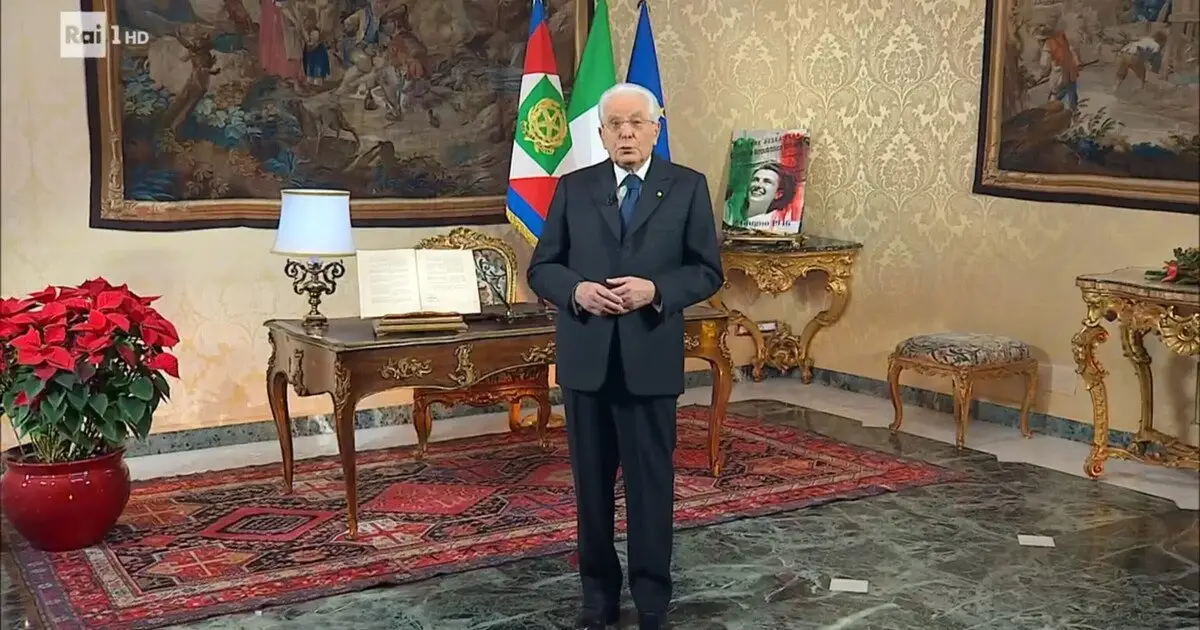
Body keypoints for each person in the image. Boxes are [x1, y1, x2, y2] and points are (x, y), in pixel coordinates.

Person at [527, 83, 724, 630]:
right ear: (601, 133)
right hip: (587, 362)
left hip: (650, 360)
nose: (627, 133)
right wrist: (576, 292)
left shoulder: (687, 187)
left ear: (656, 129)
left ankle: (653, 600)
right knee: (591, 490)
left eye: (637, 122)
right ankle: (598, 598)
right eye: (616, 124)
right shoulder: (573, 188)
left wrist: (655, 290)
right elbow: (543, 267)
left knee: (650, 488)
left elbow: (707, 271)